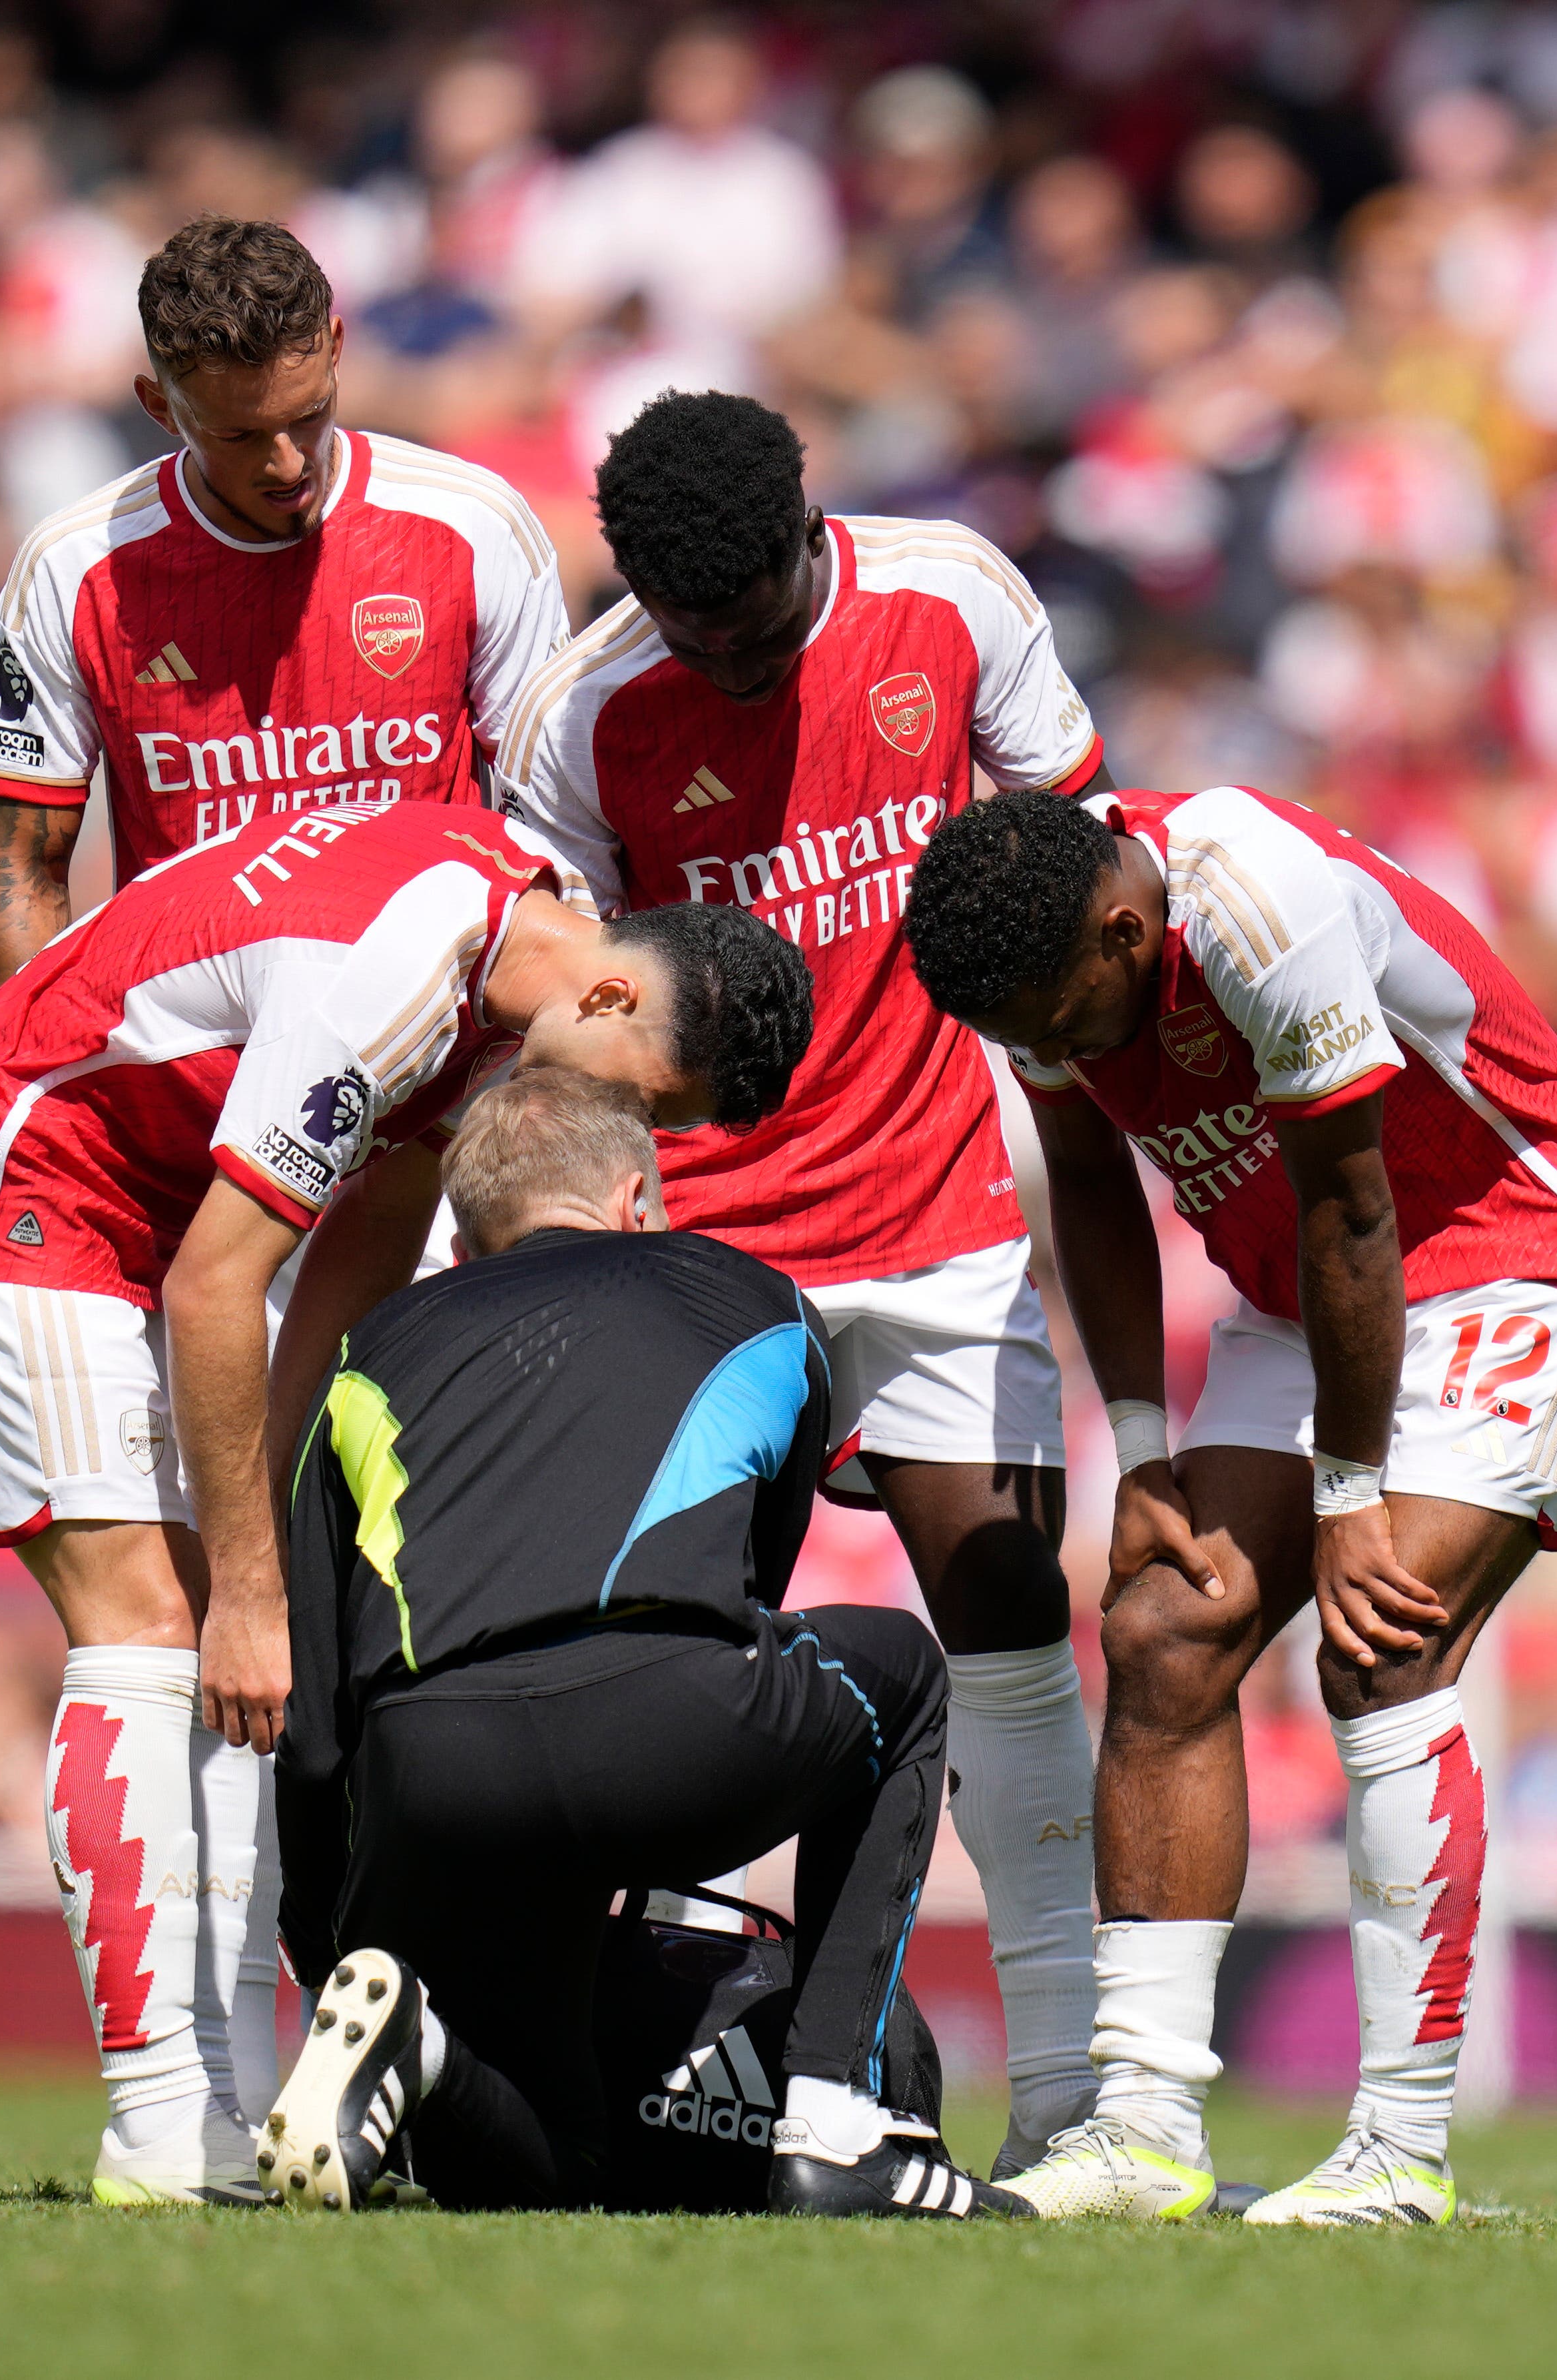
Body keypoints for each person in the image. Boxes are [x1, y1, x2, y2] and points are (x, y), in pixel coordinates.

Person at [0, 797, 812, 2202]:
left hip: (131, 1214)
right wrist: (246, 1588)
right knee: (157, 1626)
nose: (629, 1132)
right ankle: (162, 2120)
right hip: (6, 1181)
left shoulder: (503, 962)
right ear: (609, 991)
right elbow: (218, 1284)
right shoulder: (398, 978)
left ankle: (228, 2097)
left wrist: (284, 1555)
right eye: (648, 1098)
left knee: (243, 1646)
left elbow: (355, 1248)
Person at [900, 786, 1557, 2225]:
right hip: (1300, 1285)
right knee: (1160, 1627)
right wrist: (1138, 1451)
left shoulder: (1262, 907)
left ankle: (1400, 2147)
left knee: (1379, 1641)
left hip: (1514, 1253)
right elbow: (1088, 1178)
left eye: (1072, 1021)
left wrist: (1350, 1497)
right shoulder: (1042, 940)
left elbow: (1354, 1207)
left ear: (1129, 932)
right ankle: (1140, 2126)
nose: (1058, 1054)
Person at [495, 389, 1110, 2174]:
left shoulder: (953, 599)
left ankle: (1071, 2109)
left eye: (759, 608)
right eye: (697, 628)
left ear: (805, 525)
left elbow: (1083, 871)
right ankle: (574, 2080)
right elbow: (573, 1026)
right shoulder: (582, 715)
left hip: (937, 1229)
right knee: (642, 1663)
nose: (736, 652)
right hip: (704, 1253)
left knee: (1008, 1641)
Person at [260, 1068, 998, 2218]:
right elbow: (747, 1595)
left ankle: (408, 2037)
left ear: (461, 1245)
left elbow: (311, 1728)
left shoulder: (362, 1356)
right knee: (900, 1675)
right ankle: (838, 2127)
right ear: (640, 1202)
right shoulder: (763, 1303)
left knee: (551, 2166)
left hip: (435, 1782)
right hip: (669, 1727)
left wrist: (330, 1941)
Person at [0, 214, 567, 988]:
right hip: (194, 1064)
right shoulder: (71, 572)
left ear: (339, 347)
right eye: (240, 435)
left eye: (308, 413)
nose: (288, 463)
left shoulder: (474, 527)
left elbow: (556, 833)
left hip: (438, 1055)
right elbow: (24, 874)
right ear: (159, 407)